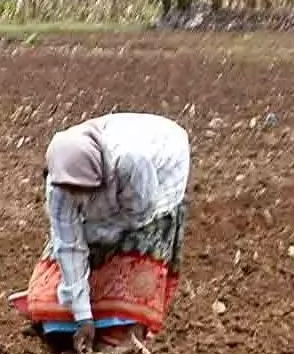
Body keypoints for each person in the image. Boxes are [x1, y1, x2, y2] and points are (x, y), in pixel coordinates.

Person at [16, 113, 192, 342]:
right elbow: (68, 245)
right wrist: (83, 317)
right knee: (63, 265)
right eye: (70, 192)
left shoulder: (131, 162)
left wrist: (101, 234)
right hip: (115, 180)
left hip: (160, 170)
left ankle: (127, 330)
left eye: (81, 190)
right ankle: (66, 324)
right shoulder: (59, 185)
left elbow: (139, 215)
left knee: (132, 247)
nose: (76, 198)